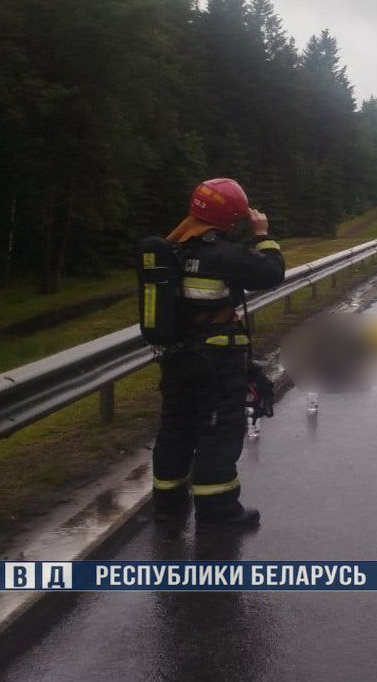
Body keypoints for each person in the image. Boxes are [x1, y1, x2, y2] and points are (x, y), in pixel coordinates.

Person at [152, 178, 286, 529]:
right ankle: (218, 511)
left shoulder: (172, 250)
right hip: (214, 359)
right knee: (218, 430)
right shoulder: (223, 254)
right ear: (228, 215)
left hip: (176, 356)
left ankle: (167, 505)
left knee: (175, 426)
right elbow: (272, 271)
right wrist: (261, 234)